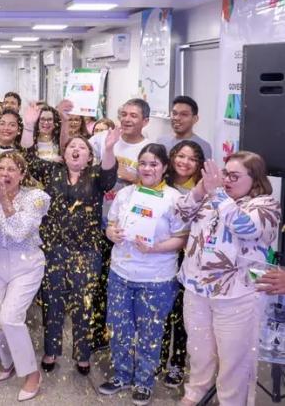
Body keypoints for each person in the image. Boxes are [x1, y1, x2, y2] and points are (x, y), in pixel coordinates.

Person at [175, 152, 281, 406]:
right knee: (199, 350)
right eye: (225, 174)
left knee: (234, 359)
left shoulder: (266, 205)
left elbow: (245, 227)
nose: (226, 180)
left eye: (234, 176)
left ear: (255, 179)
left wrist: (218, 194)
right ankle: (195, 393)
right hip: (197, 288)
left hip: (238, 294)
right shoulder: (212, 197)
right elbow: (180, 213)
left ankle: (231, 402)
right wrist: (201, 189)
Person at [99, 144, 188, 405]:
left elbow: (182, 238)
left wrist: (155, 248)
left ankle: (144, 382)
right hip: (121, 273)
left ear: (164, 167)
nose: (147, 168)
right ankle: (122, 375)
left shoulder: (174, 199)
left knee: (150, 333)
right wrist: (111, 233)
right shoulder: (125, 194)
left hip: (156, 279)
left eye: (154, 164)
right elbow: (111, 224)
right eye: (143, 163)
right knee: (119, 329)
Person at [28, 124, 119, 376]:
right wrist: (29, 126)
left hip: (87, 250)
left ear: (89, 157)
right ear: (64, 153)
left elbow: (110, 176)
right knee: (52, 300)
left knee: (84, 302)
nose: (76, 150)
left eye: (82, 147)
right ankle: (51, 350)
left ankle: (83, 353)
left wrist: (109, 148)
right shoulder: (52, 171)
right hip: (54, 248)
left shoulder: (96, 176)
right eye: (71, 147)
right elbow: (28, 160)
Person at [0, 152, 51, 402]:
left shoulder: (37, 197)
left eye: (12, 169)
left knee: (10, 318)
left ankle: (32, 374)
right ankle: (9, 361)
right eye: (1, 168)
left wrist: (4, 200)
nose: (5, 173)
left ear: (22, 174)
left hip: (27, 265)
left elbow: (19, 232)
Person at [88, 98, 151, 348]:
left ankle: (123, 337)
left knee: (121, 284)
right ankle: (98, 335)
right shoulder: (103, 139)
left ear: (145, 121)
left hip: (128, 229)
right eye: (123, 114)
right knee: (97, 281)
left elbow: (157, 183)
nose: (126, 119)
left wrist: (131, 177)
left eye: (133, 115)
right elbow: (76, 153)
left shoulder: (149, 148)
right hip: (99, 221)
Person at [157, 140, 204, 389]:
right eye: (181, 156)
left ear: (199, 164)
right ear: (172, 156)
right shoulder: (160, 182)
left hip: (189, 259)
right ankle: (159, 356)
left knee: (181, 314)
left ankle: (177, 363)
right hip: (160, 256)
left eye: (192, 159)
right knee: (162, 311)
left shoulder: (202, 189)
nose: (185, 162)